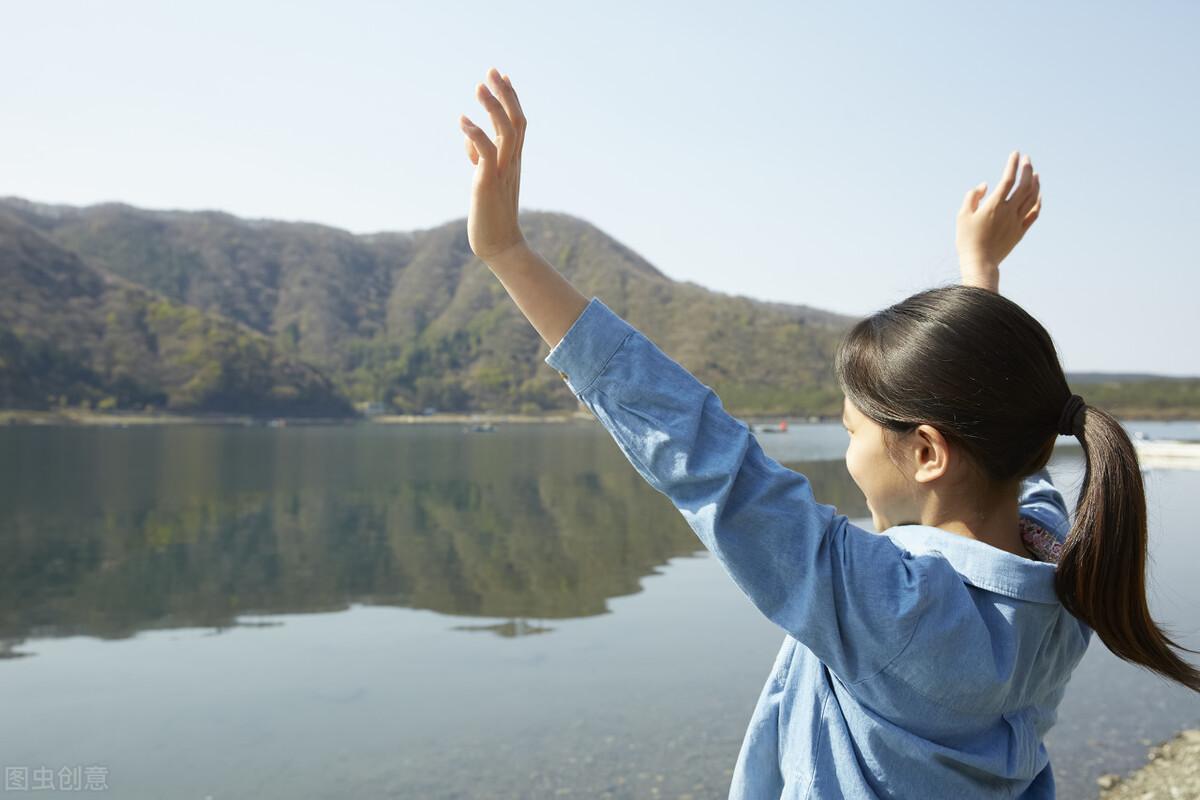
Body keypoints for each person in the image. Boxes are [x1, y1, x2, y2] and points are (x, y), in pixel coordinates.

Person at [457, 67, 1200, 799]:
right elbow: (997, 420)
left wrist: (508, 254)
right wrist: (980, 272)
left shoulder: (882, 602)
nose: (847, 455)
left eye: (853, 430)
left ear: (928, 452)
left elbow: (707, 456)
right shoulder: (1065, 574)